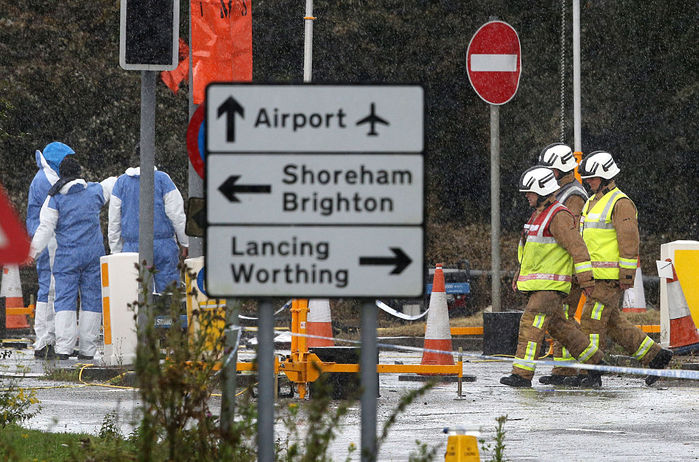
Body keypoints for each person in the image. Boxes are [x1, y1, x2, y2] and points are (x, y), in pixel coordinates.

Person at [501, 166, 605, 388]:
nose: (527, 196)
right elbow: (529, 250)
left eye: (529, 192)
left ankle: (521, 375)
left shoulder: (558, 216)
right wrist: (519, 274)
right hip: (541, 285)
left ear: (541, 191)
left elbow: (578, 248)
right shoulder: (539, 214)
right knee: (562, 330)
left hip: (550, 286)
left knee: (531, 324)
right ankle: (596, 362)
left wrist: (586, 281)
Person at [575, 151, 673, 386]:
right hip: (595, 276)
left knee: (591, 320)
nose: (588, 181)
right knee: (613, 324)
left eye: (593, 178)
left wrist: (626, 276)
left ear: (606, 177)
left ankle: (593, 372)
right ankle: (656, 356)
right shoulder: (592, 201)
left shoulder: (621, 203)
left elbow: (629, 242)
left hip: (608, 278)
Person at [29, 157, 116, 360]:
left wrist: (32, 253)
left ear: (62, 175)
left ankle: (64, 349)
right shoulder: (94, 192)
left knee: (64, 300)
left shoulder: (55, 199)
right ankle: (87, 349)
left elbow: (45, 228)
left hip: (67, 258)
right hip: (94, 256)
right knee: (91, 301)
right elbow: (112, 183)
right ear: (79, 172)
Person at [536, 143, 589, 384]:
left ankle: (574, 367)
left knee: (564, 319)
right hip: (559, 268)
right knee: (560, 319)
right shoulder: (561, 192)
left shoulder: (573, 196)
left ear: (558, 171)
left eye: (549, 170)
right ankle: (563, 370)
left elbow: (571, 236)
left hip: (569, 269)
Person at [108, 153, 188, 293]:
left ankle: (142, 315)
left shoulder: (121, 183)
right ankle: (166, 314)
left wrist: (116, 251)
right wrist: (185, 242)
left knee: (135, 294)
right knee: (168, 294)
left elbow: (114, 221)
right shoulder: (163, 179)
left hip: (132, 247)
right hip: (163, 245)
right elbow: (176, 214)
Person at [26, 142, 75, 359]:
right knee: (49, 288)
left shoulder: (43, 177)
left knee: (50, 287)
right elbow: (66, 197)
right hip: (47, 239)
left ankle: (47, 339)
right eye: (66, 160)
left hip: (45, 237)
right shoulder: (47, 180)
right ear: (57, 160)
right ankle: (44, 340)